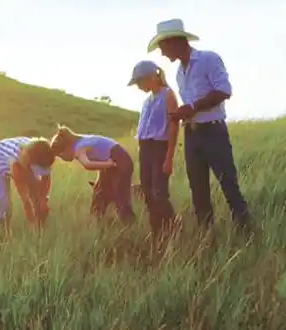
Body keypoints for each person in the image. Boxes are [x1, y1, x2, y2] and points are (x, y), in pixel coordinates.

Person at [146, 18, 252, 234]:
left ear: (174, 41)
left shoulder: (208, 59)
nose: (162, 53)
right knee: (198, 190)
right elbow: (191, 107)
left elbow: (224, 90)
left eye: (162, 47)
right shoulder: (179, 73)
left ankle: (247, 233)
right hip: (192, 134)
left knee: (228, 185)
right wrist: (181, 115)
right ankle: (207, 238)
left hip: (213, 132)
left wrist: (192, 107)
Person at [127, 60, 180, 244]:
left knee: (159, 193)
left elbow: (174, 126)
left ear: (151, 77)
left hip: (160, 148)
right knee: (148, 192)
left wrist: (169, 157)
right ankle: (157, 232)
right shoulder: (146, 101)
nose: (139, 87)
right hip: (146, 149)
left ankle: (172, 228)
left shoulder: (168, 95)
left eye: (140, 82)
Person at [50, 125, 135, 225]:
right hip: (113, 161)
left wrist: (110, 163)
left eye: (60, 155)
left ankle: (129, 224)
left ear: (67, 147)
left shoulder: (79, 148)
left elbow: (87, 165)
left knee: (120, 196)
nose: (62, 159)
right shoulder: (81, 141)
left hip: (120, 162)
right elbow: (101, 154)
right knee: (99, 193)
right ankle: (97, 223)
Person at [0, 136, 55, 232]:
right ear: (31, 161)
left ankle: (41, 223)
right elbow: (25, 199)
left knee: (37, 195)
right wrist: (31, 222)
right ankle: (3, 226)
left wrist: (43, 200)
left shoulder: (43, 153)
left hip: (25, 162)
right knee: (5, 201)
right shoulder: (17, 161)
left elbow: (46, 177)